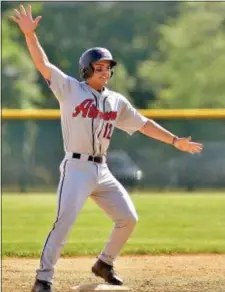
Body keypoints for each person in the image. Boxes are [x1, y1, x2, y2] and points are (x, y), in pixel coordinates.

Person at [10, 5, 203, 292]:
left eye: (108, 67)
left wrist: (175, 141)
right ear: (87, 69)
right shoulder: (70, 89)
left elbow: (144, 124)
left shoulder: (116, 101)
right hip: (76, 168)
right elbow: (42, 63)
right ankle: (43, 279)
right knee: (63, 224)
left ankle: (104, 263)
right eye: (99, 67)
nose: (105, 71)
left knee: (128, 219)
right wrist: (29, 36)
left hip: (102, 169)